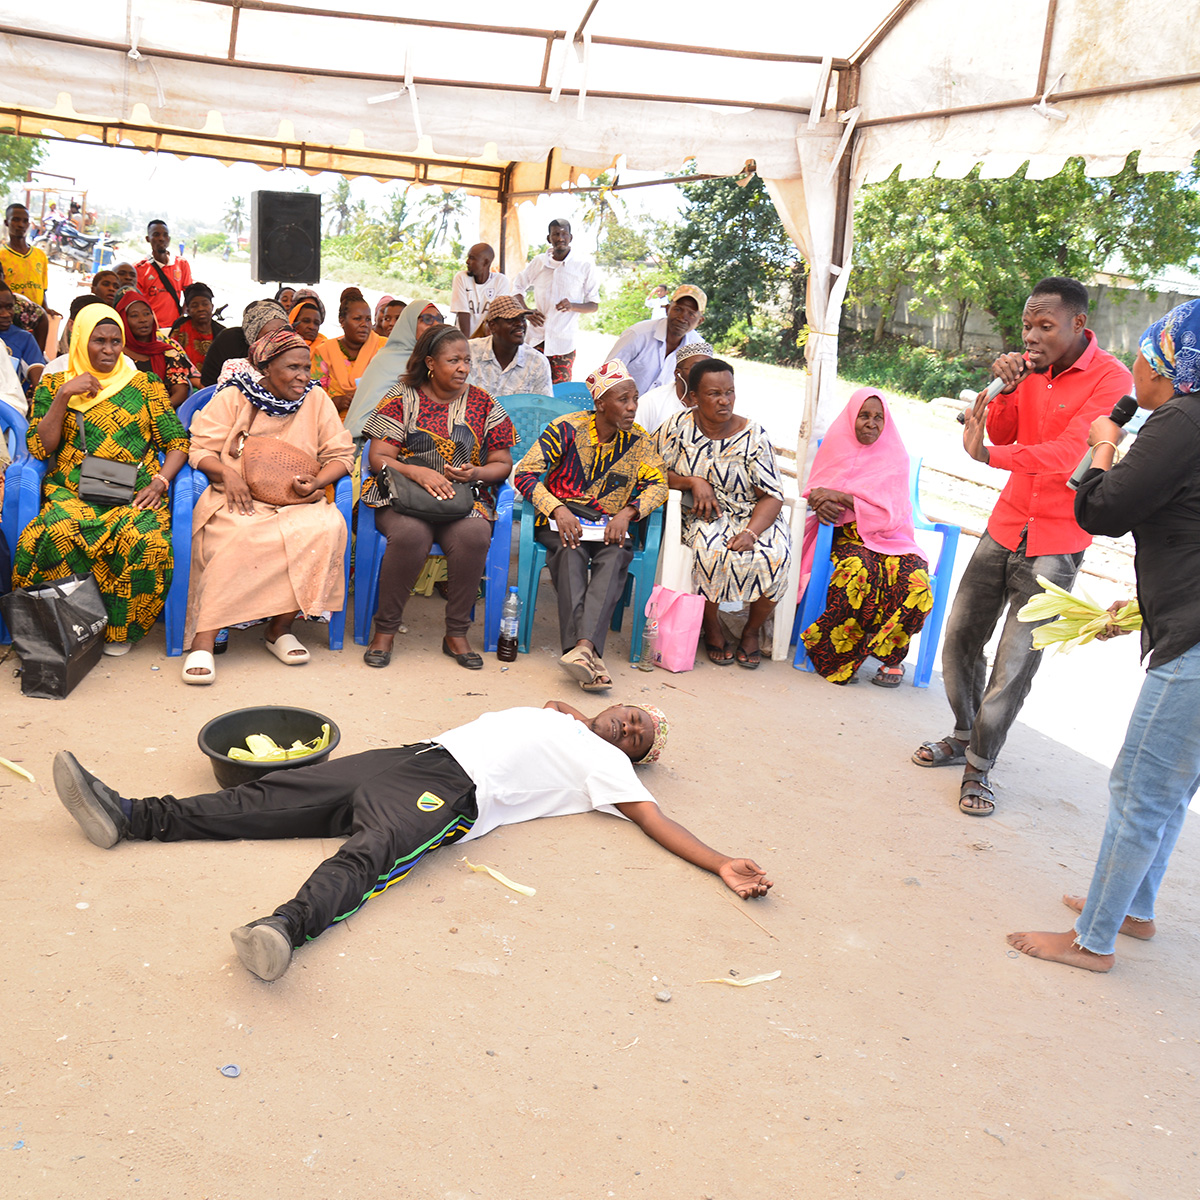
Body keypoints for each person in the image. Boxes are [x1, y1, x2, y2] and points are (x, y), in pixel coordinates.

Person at [52, 698, 773, 981]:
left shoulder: (609, 767)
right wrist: (568, 710)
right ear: (614, 702)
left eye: (643, 734)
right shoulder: (558, 714)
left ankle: (282, 930)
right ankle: (130, 815)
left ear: (637, 754)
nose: (632, 726)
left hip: (453, 794)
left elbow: (656, 820)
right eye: (635, 714)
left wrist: (720, 863)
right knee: (262, 799)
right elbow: (555, 711)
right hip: (410, 756)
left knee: (368, 856)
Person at [1007, 301, 1200, 973]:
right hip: (1186, 621)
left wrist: (1103, 442)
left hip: (1194, 648)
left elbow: (1102, 507)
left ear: (1173, 363)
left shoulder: (1184, 416)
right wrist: (1147, 606)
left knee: (1139, 788)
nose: (1137, 369)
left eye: (1147, 354)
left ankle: (1093, 940)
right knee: (1171, 789)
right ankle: (1134, 909)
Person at [912, 277, 1132, 816]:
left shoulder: (1113, 381)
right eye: (1028, 325)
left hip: (1058, 540)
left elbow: (1065, 456)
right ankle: (963, 734)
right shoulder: (1029, 370)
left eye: (1045, 326)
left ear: (1079, 325)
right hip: (1007, 524)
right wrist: (1003, 389)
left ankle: (980, 769)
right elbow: (1006, 431)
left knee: (1015, 663)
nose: (1031, 335)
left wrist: (986, 457)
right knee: (959, 637)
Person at [12, 303, 189, 654]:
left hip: (135, 492)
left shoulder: (144, 384)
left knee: (145, 537)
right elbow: (41, 446)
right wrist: (65, 395)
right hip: (72, 492)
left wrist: (161, 481)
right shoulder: (55, 383)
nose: (108, 350)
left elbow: (177, 442)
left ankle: (119, 631)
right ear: (80, 340)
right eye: (99, 341)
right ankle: (65, 624)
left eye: (115, 341)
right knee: (56, 531)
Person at [181, 329, 354, 684]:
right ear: (267, 367)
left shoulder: (316, 399)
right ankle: (204, 638)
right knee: (237, 534)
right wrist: (227, 476)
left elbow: (341, 456)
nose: (303, 376)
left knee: (327, 526)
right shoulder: (234, 397)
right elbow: (199, 449)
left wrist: (319, 482)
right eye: (292, 367)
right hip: (237, 496)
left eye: (307, 367)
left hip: (299, 499)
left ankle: (280, 627)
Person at [360, 323, 517, 670]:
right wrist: (417, 470)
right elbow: (378, 458)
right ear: (430, 363)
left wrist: (475, 473)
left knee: (475, 535)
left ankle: (456, 633)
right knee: (411, 535)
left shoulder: (482, 403)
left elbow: (502, 464)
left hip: (461, 498)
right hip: (400, 495)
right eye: (453, 360)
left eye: (466, 360)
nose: (463, 367)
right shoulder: (401, 398)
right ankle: (384, 631)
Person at [514, 359, 667, 691]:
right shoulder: (565, 429)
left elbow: (659, 486)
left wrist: (628, 513)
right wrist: (556, 509)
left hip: (610, 527)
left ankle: (581, 652)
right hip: (563, 524)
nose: (632, 408)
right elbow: (524, 473)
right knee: (570, 556)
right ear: (600, 404)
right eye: (623, 400)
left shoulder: (639, 441)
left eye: (635, 399)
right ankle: (588, 653)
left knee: (614, 559)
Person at [655, 358, 791, 670]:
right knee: (710, 551)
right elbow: (652, 471)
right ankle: (712, 627)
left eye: (729, 392)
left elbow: (772, 495)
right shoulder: (678, 428)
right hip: (705, 515)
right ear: (693, 398)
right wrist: (692, 481)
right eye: (714, 393)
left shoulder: (754, 435)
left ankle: (751, 630)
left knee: (776, 553)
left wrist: (751, 533)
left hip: (754, 515)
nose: (724, 400)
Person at [797, 389, 933, 686]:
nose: (871, 424)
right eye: (864, 416)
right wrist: (825, 501)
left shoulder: (895, 456)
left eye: (878, 417)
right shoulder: (835, 444)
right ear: (851, 418)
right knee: (859, 570)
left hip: (891, 537)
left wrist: (842, 497)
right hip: (846, 535)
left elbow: (892, 514)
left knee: (917, 581)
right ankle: (839, 654)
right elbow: (815, 491)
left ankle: (890, 655)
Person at [510, 219, 600, 385]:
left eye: (564, 234)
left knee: (559, 395)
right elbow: (517, 288)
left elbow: (593, 305)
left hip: (563, 344)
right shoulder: (539, 262)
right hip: (535, 340)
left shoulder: (584, 265)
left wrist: (572, 306)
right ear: (548, 238)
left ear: (570, 237)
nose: (560, 238)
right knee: (527, 388)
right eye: (556, 234)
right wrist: (526, 312)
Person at [344, 298, 443, 440]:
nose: (435, 324)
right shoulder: (385, 361)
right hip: (382, 442)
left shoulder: (441, 361)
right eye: (427, 319)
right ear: (409, 324)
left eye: (440, 319)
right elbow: (364, 419)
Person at [607, 284, 706, 397]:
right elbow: (608, 374)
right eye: (678, 309)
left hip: (662, 414)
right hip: (621, 409)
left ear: (700, 321)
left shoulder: (698, 350)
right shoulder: (638, 334)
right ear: (667, 309)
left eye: (691, 314)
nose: (682, 318)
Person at [310, 287, 385, 419]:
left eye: (368, 319)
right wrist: (336, 402)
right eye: (357, 319)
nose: (364, 324)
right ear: (342, 321)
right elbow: (313, 396)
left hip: (376, 426)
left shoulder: (383, 348)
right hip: (332, 426)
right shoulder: (324, 351)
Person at [115, 290, 194, 409]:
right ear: (123, 320)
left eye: (147, 313)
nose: (143, 319)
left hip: (162, 414)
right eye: (134, 315)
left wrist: (157, 411)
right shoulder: (115, 354)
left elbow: (180, 391)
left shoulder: (168, 353)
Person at [467, 294, 552, 397]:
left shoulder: (538, 362)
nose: (520, 324)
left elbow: (543, 408)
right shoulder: (469, 352)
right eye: (511, 319)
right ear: (492, 326)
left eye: (522, 319)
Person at [200, 299, 289, 389]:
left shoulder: (294, 354)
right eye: (269, 335)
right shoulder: (235, 363)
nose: (278, 340)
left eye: (283, 333)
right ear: (252, 335)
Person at [1, 203, 54, 343]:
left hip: (35, 322)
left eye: (25, 221)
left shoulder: (40, 256)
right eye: (16, 220)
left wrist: (46, 309)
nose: (21, 225)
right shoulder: (2, 255)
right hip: (8, 321)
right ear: (7, 222)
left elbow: (42, 288)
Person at [634, 339, 713, 434]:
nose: (704, 374)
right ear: (678, 373)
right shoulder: (652, 401)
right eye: (696, 368)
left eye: (708, 369)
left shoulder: (714, 405)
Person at [135, 220, 193, 327]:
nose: (161, 238)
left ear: (169, 239)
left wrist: (181, 319)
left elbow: (189, 294)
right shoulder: (139, 269)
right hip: (151, 330)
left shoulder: (181, 264)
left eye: (165, 235)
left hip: (174, 329)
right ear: (148, 239)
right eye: (156, 235)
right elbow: (137, 303)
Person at [450, 242, 512, 337]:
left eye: (472, 258)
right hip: (464, 337)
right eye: (468, 257)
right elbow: (463, 314)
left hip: (487, 340)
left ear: (486, 262)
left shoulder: (500, 281)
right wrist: (466, 345)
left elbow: (497, 317)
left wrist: (485, 344)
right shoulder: (461, 277)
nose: (467, 261)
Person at [0, 285, 46, 396]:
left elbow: (37, 372)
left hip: (10, 405)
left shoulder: (24, 339)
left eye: (9, 307)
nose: (6, 314)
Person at [169, 282, 225, 373]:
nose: (201, 309)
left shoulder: (221, 332)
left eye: (205, 304)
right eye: (195, 306)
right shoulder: (181, 327)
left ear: (212, 307)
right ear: (188, 311)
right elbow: (170, 354)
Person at [44, 295, 107, 373]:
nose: (96, 327)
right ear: (72, 325)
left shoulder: (125, 366)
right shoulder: (55, 369)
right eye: (89, 321)